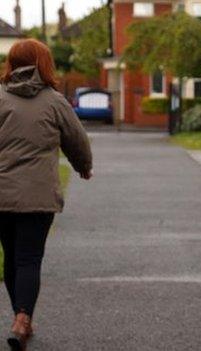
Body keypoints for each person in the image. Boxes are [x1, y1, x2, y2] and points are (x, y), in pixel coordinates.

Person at [0, 39, 93, 350]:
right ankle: (22, 318)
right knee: (29, 259)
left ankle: (20, 318)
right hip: (38, 197)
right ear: (45, 63)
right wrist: (83, 166)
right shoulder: (54, 100)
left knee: (11, 259)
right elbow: (77, 139)